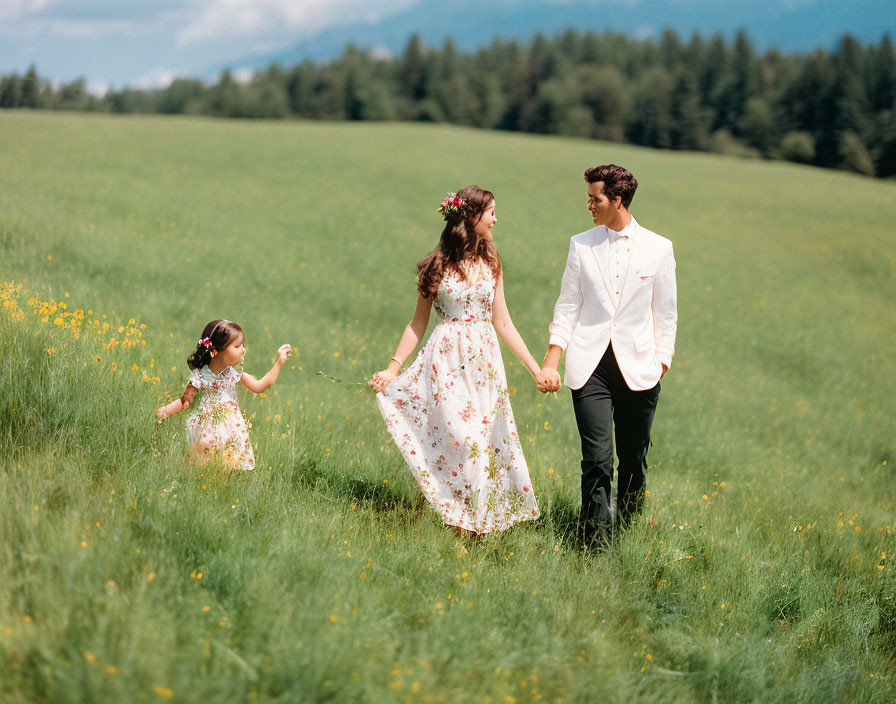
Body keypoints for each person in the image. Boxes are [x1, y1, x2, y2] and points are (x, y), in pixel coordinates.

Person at [369, 186, 541, 534]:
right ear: (471, 217)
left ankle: (473, 525)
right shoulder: (436, 265)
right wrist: (392, 368)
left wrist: (536, 369)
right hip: (445, 364)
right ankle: (457, 515)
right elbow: (417, 324)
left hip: (485, 367)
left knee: (482, 441)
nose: (496, 218)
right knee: (464, 441)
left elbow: (503, 322)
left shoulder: (492, 263)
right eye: (491, 211)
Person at [536, 164, 677, 546]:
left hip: (640, 370)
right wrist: (552, 359)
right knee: (597, 460)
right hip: (589, 368)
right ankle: (593, 547)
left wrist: (661, 363)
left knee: (633, 460)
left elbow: (666, 315)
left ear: (617, 200)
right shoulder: (580, 244)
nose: (588, 205)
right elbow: (567, 307)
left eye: (594, 198)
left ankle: (628, 531)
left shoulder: (659, 249)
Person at [156, 319, 292, 472]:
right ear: (216, 350)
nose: (243, 350)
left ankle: (221, 486)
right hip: (206, 427)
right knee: (200, 461)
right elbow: (185, 402)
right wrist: (165, 411)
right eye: (237, 346)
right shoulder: (200, 376)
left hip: (230, 428)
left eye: (242, 345)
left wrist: (279, 362)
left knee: (225, 465)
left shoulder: (234, 375)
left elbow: (260, 385)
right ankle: (196, 482)